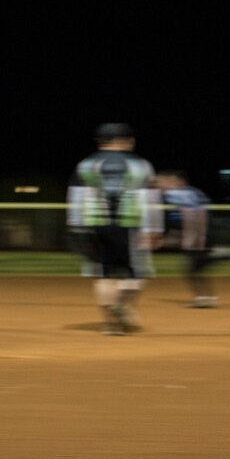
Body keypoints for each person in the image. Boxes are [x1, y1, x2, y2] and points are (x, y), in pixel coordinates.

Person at [66, 123, 162, 335]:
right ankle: (122, 303)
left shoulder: (86, 164)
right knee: (136, 274)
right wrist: (154, 229)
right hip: (129, 225)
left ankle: (110, 324)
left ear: (100, 142)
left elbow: (76, 197)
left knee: (103, 275)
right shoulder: (141, 164)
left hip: (94, 224)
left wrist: (76, 226)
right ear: (127, 140)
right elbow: (150, 200)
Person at [155, 170, 230, 308]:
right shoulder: (192, 192)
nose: (161, 185)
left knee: (192, 269)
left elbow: (167, 199)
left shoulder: (179, 192)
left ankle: (225, 254)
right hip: (200, 231)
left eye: (166, 181)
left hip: (196, 233)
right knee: (196, 268)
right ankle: (206, 298)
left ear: (178, 181)